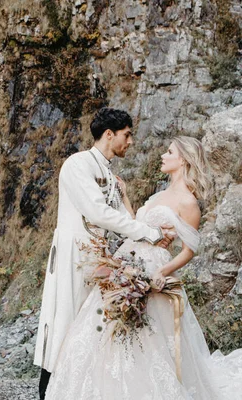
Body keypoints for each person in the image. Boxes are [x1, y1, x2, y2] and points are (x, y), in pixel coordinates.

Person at [45, 136, 242, 399]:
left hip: (153, 271)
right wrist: (125, 195)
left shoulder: (188, 202)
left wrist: (162, 272)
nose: (163, 155)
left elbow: (189, 250)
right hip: (127, 263)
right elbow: (135, 224)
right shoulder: (159, 194)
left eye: (169, 152)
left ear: (182, 159)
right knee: (105, 328)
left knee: (147, 336)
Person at [33, 108, 175, 399]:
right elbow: (97, 212)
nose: (131, 142)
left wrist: (151, 232)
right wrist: (149, 234)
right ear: (109, 135)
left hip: (102, 259)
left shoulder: (111, 175)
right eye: (127, 135)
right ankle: (47, 393)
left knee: (93, 327)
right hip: (75, 255)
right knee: (66, 323)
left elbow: (125, 220)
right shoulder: (78, 164)